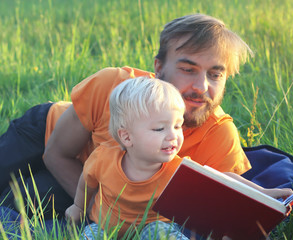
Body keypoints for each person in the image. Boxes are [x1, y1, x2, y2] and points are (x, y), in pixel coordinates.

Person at [0, 13, 253, 216]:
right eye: (188, 69)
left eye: (215, 74)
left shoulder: (219, 135)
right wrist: (101, 216)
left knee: (24, 200)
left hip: (94, 183)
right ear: (159, 68)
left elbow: (227, 216)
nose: (201, 87)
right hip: (46, 135)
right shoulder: (112, 85)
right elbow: (56, 154)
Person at [65, 77, 293, 239]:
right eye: (159, 129)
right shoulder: (104, 158)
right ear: (127, 136)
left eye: (177, 126)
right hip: (107, 228)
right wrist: (77, 206)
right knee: (90, 235)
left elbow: (223, 179)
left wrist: (264, 194)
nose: (173, 136)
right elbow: (87, 183)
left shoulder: (176, 169)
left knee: (163, 234)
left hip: (152, 228)